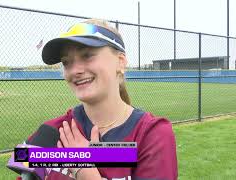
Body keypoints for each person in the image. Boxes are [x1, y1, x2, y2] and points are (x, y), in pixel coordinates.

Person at [26, 19, 178, 180]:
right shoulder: (50, 133)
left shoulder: (152, 135)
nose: (75, 70)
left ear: (120, 62)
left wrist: (84, 169)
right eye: (66, 62)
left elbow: (118, 154)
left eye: (87, 55)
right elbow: (23, 163)